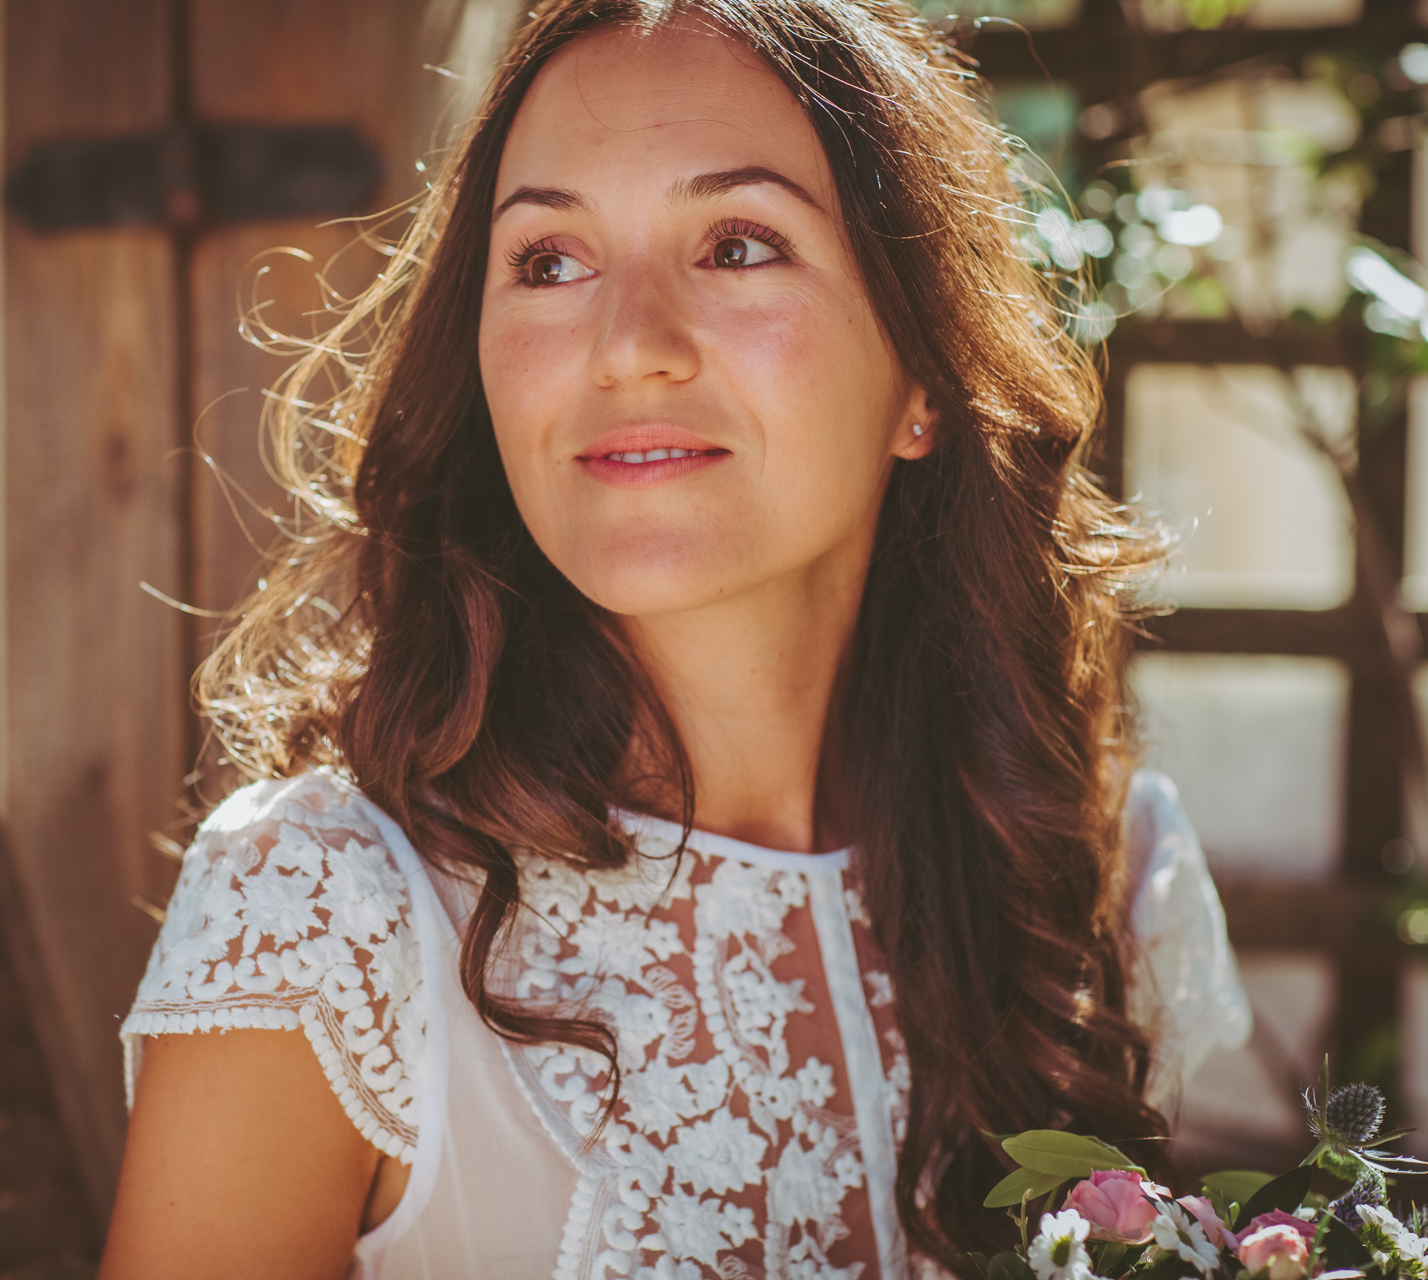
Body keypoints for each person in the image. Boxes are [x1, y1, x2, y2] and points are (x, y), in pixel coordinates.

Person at [97, 3, 1250, 1277]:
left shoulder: (1091, 874)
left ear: (925, 372)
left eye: (740, 244)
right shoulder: (317, 915)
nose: (629, 345)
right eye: (548, 261)